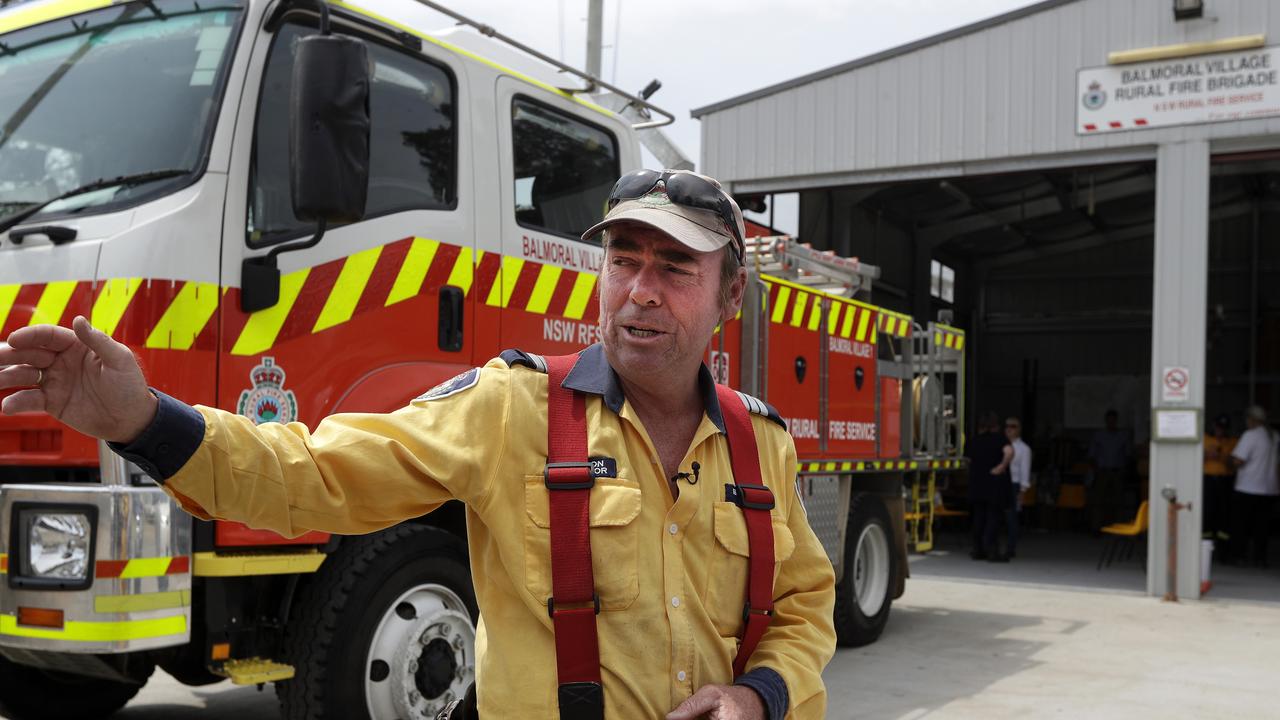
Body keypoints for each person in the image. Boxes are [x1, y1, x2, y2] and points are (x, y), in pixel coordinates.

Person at [0, 169, 836, 720]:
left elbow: (804, 610)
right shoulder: (514, 408)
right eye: (624, 260)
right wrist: (146, 420)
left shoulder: (763, 445)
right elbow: (315, 475)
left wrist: (759, 695)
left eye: (675, 269)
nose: (639, 292)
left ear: (729, 298)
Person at [1229, 406, 1279, 568]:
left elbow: (1238, 461)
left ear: (1252, 419)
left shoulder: (1250, 435)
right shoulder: (1274, 436)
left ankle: (1239, 556)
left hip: (1248, 488)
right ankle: (1260, 558)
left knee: (1241, 525)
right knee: (1262, 527)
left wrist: (1227, 461)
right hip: (1269, 489)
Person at [966, 411, 1014, 562]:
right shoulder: (1000, 440)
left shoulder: (974, 441)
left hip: (977, 484)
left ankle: (978, 549)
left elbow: (967, 460)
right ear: (997, 426)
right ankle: (992, 551)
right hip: (994, 485)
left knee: (978, 518)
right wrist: (1002, 466)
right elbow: (1009, 452)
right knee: (993, 518)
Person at [1087, 409, 1131, 531]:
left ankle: (1119, 528)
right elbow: (1091, 455)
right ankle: (1096, 528)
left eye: (1113, 420)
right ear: (1106, 421)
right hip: (1102, 471)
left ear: (1116, 421)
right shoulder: (1099, 436)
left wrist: (1124, 469)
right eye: (1109, 420)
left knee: (1118, 501)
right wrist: (1097, 470)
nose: (1111, 422)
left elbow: (1128, 455)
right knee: (1098, 501)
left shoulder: (1123, 436)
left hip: (1117, 472)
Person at [1202, 414, 1237, 542]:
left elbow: (1235, 463)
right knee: (1207, 512)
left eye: (1223, 428)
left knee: (1224, 513)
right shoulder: (1204, 439)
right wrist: (1206, 455)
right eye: (1218, 427)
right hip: (1208, 479)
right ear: (1213, 426)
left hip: (1225, 480)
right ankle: (1205, 544)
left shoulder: (1232, 441)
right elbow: (1192, 460)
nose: (1220, 431)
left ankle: (1223, 548)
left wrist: (1221, 456)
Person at [1005, 417, 1032, 559]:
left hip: (1014, 485)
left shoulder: (1024, 449)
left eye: (1013, 426)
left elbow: (1024, 470)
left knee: (1012, 518)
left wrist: (1022, 490)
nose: (1009, 429)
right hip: (1001, 484)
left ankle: (1011, 548)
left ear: (1019, 429)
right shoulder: (1001, 445)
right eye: (1007, 426)